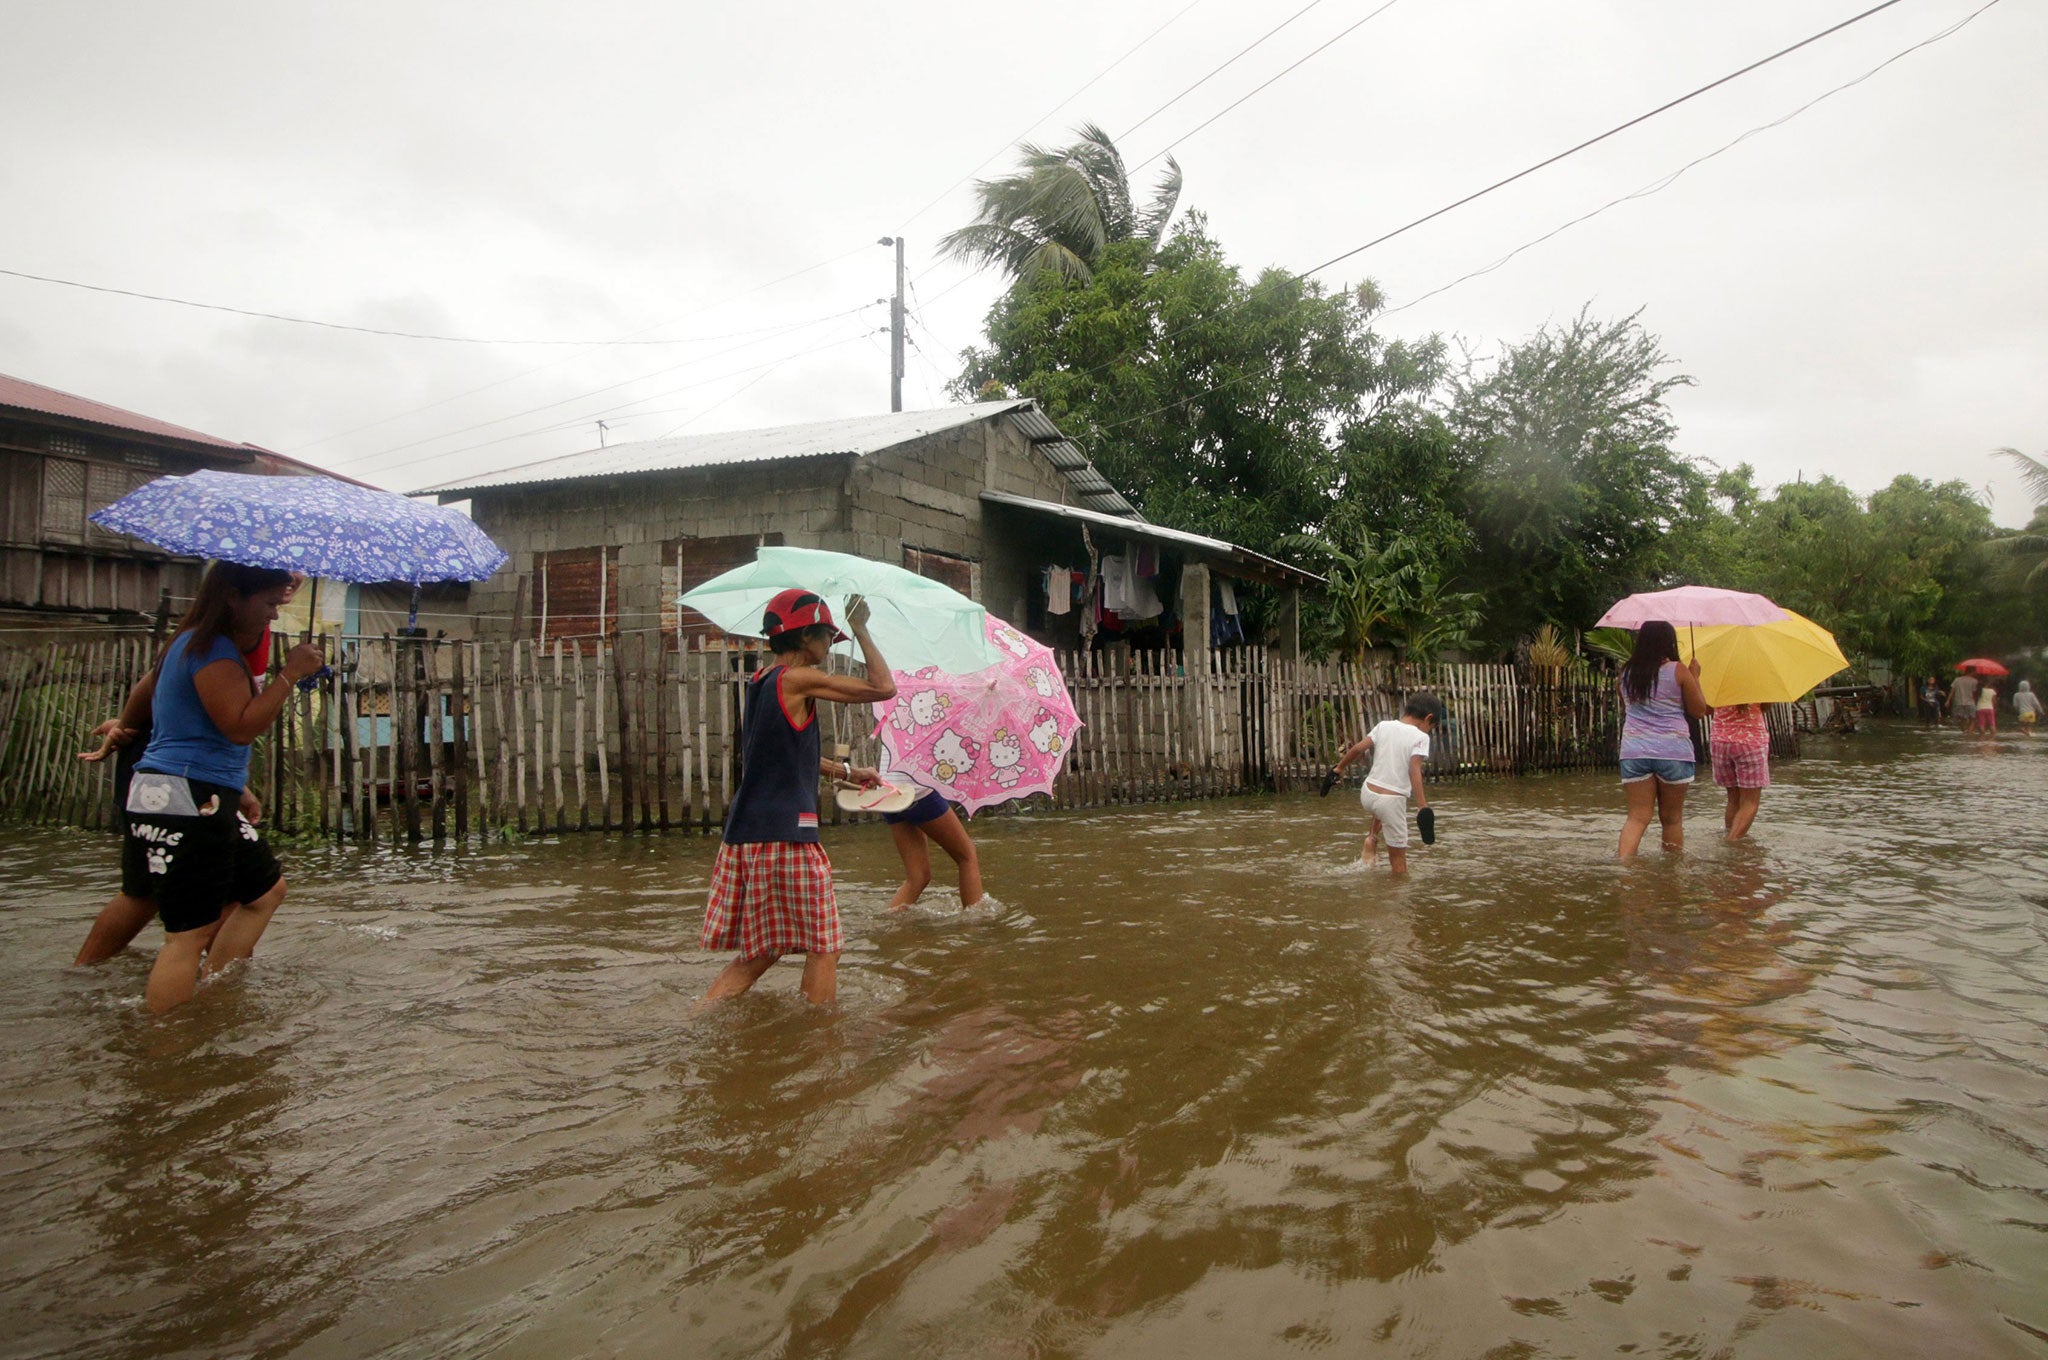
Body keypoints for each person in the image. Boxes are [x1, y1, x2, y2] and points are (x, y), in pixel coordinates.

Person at [124, 564, 324, 1012]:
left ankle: (215, 994)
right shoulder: (211, 650)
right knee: (187, 935)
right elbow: (237, 727)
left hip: (197, 791)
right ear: (233, 596)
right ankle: (168, 1050)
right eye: (270, 603)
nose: (274, 615)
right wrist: (290, 675)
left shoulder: (196, 642)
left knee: (265, 892)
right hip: (187, 797)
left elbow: (200, 731)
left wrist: (238, 788)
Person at [700, 589, 896, 1005]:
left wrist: (846, 771)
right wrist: (860, 627)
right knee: (825, 945)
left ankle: (699, 1017)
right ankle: (819, 1044)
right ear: (806, 637)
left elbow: (780, 754)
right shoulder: (797, 677)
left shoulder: (762, 681)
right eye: (827, 635)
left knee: (762, 951)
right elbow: (883, 687)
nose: (828, 644)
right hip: (785, 835)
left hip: (749, 834)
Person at [72, 626, 281, 967]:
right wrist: (125, 727)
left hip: (185, 771)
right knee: (185, 898)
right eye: (275, 593)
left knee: (233, 888)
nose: (281, 598)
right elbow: (232, 722)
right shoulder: (222, 634)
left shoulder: (243, 629)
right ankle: (206, 987)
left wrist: (235, 786)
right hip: (174, 770)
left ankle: (208, 982)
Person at [1616, 621, 1710, 857]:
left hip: (1634, 751)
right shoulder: (1679, 670)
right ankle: (1671, 876)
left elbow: (1626, 707)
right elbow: (1699, 711)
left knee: (1637, 817)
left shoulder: (1626, 672)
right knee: (1671, 820)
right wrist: (1695, 676)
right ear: (1668, 642)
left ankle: (1624, 869)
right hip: (1673, 752)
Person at [1329, 692, 1444, 874]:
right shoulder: (1421, 738)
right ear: (1428, 718)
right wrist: (1422, 806)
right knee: (1398, 861)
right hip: (1389, 802)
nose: (1428, 730)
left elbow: (1358, 748)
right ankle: (1397, 896)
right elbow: (1414, 770)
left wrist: (1339, 768)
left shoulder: (1384, 726)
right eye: (1431, 726)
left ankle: (1371, 839)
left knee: (1382, 803)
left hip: (1367, 793)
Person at [881, 781, 984, 911]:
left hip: (887, 790)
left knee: (917, 877)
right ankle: (976, 926)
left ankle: (890, 926)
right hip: (917, 791)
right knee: (967, 856)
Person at [1709, 703, 1771, 841]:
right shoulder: (1758, 683)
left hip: (1720, 742)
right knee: (1750, 802)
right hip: (1750, 742)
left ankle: (1731, 838)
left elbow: (1708, 708)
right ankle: (1732, 842)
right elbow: (1765, 706)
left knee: (1733, 799)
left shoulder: (1720, 684)